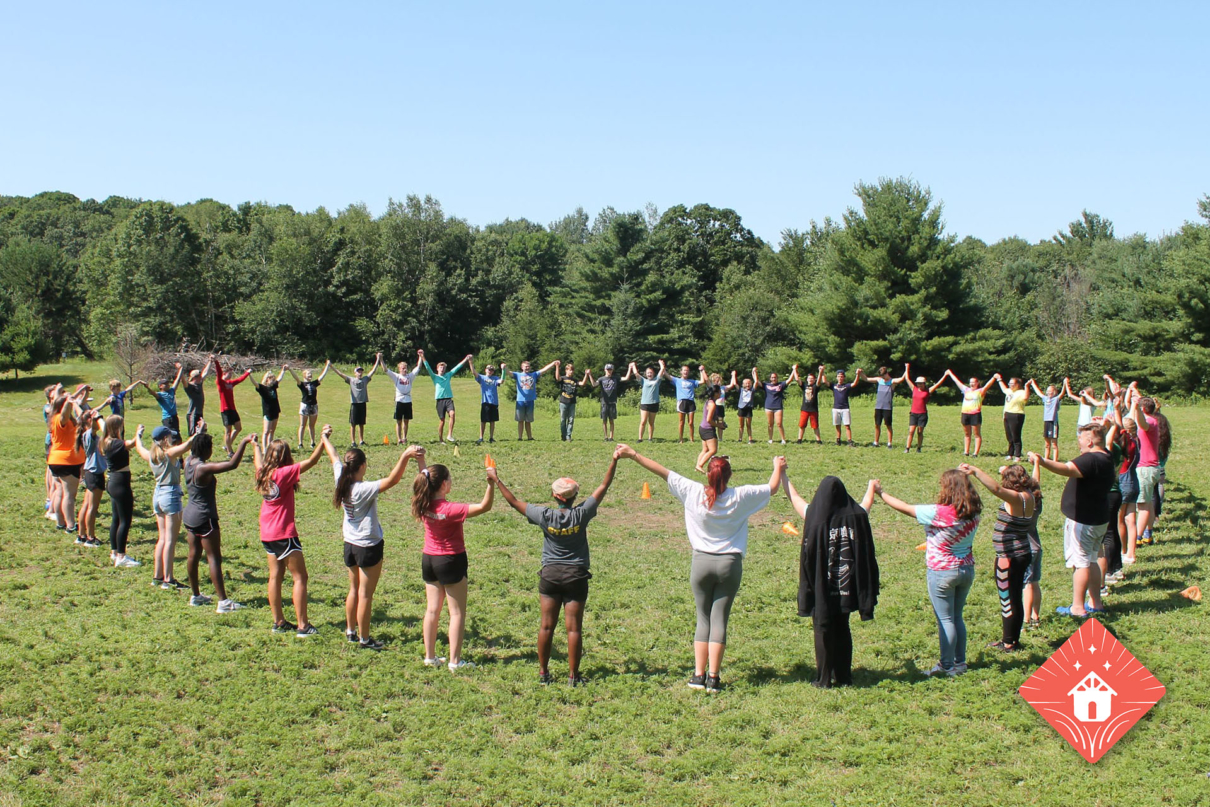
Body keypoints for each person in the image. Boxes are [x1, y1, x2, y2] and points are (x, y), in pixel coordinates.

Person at [614, 445, 784, 693]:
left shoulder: (692, 492)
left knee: (702, 618)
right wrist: (777, 466)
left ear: (708, 474)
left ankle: (697, 675)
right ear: (729, 476)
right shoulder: (741, 496)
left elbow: (662, 471)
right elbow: (772, 487)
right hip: (730, 565)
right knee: (719, 620)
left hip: (701, 563)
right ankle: (714, 678)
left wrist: (634, 455)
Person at [490, 454, 619, 686]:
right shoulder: (582, 513)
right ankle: (573, 676)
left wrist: (496, 480)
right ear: (574, 497)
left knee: (546, 626)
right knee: (574, 629)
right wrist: (614, 461)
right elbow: (603, 485)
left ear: (554, 496)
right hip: (576, 576)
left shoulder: (544, 515)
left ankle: (543, 673)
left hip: (549, 576)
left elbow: (514, 502)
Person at [324, 430, 425, 651]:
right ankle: (364, 638)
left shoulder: (341, 478)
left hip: (350, 545)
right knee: (365, 595)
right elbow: (393, 480)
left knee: (353, 590)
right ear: (361, 466)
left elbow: (334, 457)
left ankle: (351, 631)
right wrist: (405, 456)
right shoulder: (363, 489)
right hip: (368, 546)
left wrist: (325, 438)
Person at [875, 470, 982, 677]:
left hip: (942, 572)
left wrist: (880, 493)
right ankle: (960, 663)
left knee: (945, 619)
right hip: (966, 569)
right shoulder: (974, 512)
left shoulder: (939, 512)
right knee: (957, 617)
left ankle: (946, 667)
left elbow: (904, 508)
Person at [784, 474, 879, 688]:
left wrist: (782, 475)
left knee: (822, 628)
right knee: (843, 627)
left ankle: (824, 678)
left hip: (822, 587)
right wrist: (872, 487)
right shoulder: (857, 516)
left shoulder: (813, 516)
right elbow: (866, 504)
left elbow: (795, 497)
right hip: (847, 587)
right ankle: (844, 676)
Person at [411, 461, 496, 670]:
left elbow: (424, 477)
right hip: (451, 560)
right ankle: (455, 662)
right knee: (456, 613)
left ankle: (430, 657)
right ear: (442, 485)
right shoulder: (451, 509)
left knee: (432, 610)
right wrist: (491, 484)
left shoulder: (422, 502)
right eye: (449, 479)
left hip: (429, 559)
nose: (451, 482)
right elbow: (484, 507)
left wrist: (422, 463)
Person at [1029, 421, 1115, 618]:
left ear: (1091, 441)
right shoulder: (1107, 456)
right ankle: (1095, 602)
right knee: (1091, 559)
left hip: (1083, 520)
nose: (1079, 442)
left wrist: (1041, 461)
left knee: (1081, 562)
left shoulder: (1090, 460)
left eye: (1081, 439)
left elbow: (1066, 469)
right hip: (1098, 518)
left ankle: (1077, 607)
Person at [960, 463, 1039, 652]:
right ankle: (1012, 639)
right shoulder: (1031, 495)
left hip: (1009, 557)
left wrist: (976, 471)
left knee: (1007, 599)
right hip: (1023, 553)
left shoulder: (1016, 499)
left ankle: (1008, 642)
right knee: (1015, 598)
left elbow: (995, 488)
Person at [254, 437, 325, 636]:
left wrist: (256, 446)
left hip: (267, 533)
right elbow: (311, 462)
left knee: (275, 576)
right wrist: (322, 440)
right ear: (286, 457)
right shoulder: (284, 473)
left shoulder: (263, 473)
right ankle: (303, 626)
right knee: (300, 577)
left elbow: (258, 462)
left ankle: (278, 622)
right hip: (283, 533)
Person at [182, 428, 252, 612]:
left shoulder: (188, 462)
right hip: (205, 517)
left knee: (193, 555)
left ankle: (196, 595)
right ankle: (223, 602)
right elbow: (232, 464)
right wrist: (244, 442)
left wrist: (200, 431)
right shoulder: (203, 468)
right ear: (205, 450)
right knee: (214, 558)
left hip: (189, 516)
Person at [135, 423, 201, 590]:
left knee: (162, 538)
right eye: (170, 437)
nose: (172, 439)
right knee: (170, 540)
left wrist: (138, 435)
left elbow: (139, 447)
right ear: (165, 439)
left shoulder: (151, 455)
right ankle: (169, 578)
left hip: (157, 495)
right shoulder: (169, 454)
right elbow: (187, 446)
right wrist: (198, 432)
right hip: (170, 495)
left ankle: (157, 576)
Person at [47, 386, 90, 534]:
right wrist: (69, 401)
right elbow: (65, 409)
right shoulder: (61, 419)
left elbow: (66, 403)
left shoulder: (53, 417)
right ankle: (71, 525)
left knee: (59, 491)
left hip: (55, 459)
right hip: (67, 460)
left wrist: (78, 392)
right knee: (69, 495)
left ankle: (60, 522)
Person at [101, 415, 140, 568]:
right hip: (120, 483)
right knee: (125, 520)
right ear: (116, 427)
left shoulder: (105, 441)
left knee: (116, 519)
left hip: (113, 482)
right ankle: (121, 556)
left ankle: (114, 552)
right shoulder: (115, 443)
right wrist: (138, 432)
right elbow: (131, 444)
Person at [1132, 393, 1170, 550]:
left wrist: (1135, 408)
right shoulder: (1153, 420)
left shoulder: (1150, 422)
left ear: (1143, 409)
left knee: (1143, 505)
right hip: (1151, 468)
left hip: (1146, 469)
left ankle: (1138, 538)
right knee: (1148, 503)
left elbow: (1141, 423)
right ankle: (1148, 534)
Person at [332, 354, 382, 446]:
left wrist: (378, 359)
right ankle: (353, 441)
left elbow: (373, 371)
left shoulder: (365, 379)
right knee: (353, 424)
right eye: (358, 371)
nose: (360, 373)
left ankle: (361, 440)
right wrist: (332, 367)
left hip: (362, 404)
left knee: (361, 423)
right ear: (355, 373)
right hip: (354, 404)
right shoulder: (351, 380)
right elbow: (341, 374)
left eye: (361, 371)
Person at [421, 350, 471, 443]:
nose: (442, 369)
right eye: (441, 367)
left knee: (452, 414)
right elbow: (427, 367)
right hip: (440, 401)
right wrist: (422, 356)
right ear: (437, 369)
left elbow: (457, 367)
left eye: (444, 368)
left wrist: (466, 359)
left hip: (448, 399)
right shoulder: (435, 377)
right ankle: (440, 439)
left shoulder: (448, 375)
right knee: (442, 421)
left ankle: (449, 435)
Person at [944, 371, 997, 457]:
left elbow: (988, 385)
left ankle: (975, 453)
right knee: (967, 434)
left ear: (977, 383)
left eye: (974, 382)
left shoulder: (980, 391)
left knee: (977, 434)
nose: (972, 384)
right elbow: (957, 381)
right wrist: (950, 373)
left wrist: (994, 378)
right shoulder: (966, 390)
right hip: (965, 414)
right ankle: (966, 451)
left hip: (975, 414)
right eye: (970, 382)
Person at [75, 409, 106, 548]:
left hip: (90, 471)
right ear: (89, 420)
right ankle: (91, 538)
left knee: (86, 505)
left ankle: (81, 535)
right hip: (94, 473)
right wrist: (97, 417)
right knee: (92, 508)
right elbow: (97, 427)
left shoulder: (86, 434)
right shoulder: (89, 434)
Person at [855, 365, 907, 448]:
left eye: (883, 375)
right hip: (878, 407)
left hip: (887, 407)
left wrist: (906, 369)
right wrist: (860, 373)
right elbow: (866, 379)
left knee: (888, 425)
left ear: (887, 373)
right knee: (877, 424)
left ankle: (889, 443)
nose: (882, 377)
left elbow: (901, 379)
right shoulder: (879, 380)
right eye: (881, 376)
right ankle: (876, 442)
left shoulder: (892, 382)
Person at [1021, 456, 1046, 629]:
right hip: (1036, 546)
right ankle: (1036, 616)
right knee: (1035, 582)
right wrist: (1037, 464)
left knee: (1027, 584)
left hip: (1026, 548)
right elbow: (1036, 482)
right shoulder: (1036, 500)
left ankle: (1026, 620)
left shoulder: (1022, 504)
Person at [509, 359, 559, 440]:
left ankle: (530, 437)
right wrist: (504, 368)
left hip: (530, 401)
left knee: (528, 421)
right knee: (520, 420)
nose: (527, 368)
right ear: (522, 367)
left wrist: (553, 364)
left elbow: (544, 369)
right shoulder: (517, 375)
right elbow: (509, 373)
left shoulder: (534, 375)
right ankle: (520, 437)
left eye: (528, 366)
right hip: (520, 401)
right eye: (525, 366)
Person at [286, 361, 330, 450]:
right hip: (305, 406)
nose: (310, 375)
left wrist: (327, 366)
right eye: (308, 374)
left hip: (313, 406)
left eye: (311, 374)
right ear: (304, 375)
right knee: (302, 425)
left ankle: (312, 442)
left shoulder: (314, 383)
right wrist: (290, 369)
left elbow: (322, 376)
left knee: (312, 426)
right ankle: (300, 443)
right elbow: (296, 378)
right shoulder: (302, 384)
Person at [903, 367, 946, 453]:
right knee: (911, 431)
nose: (919, 385)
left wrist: (945, 375)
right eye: (918, 383)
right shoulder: (914, 389)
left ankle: (919, 448)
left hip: (922, 414)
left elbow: (938, 384)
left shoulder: (928, 391)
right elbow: (907, 378)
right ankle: (907, 448)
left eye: (921, 383)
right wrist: (907, 368)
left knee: (920, 432)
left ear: (924, 383)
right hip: (913, 413)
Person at [215, 361, 253, 457]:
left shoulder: (230, 383)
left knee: (238, 428)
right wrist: (216, 361)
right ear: (225, 373)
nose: (231, 376)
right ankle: (230, 452)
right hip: (225, 410)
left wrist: (247, 373)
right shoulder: (220, 382)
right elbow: (218, 372)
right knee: (228, 431)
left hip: (233, 409)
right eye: (230, 373)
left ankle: (227, 445)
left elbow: (240, 379)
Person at [587, 363, 631, 441]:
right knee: (604, 420)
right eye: (608, 370)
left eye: (610, 370)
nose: (609, 371)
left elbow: (626, 378)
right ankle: (605, 437)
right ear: (605, 370)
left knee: (611, 420)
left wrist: (630, 368)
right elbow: (594, 384)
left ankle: (611, 437)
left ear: (612, 370)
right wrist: (589, 375)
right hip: (604, 402)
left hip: (612, 402)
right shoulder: (601, 379)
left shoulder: (615, 378)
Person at [818, 368, 860, 446]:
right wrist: (822, 372)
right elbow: (825, 382)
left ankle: (849, 441)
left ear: (844, 377)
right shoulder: (834, 386)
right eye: (839, 376)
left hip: (845, 408)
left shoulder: (846, 386)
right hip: (836, 408)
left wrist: (858, 374)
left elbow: (854, 383)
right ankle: (838, 440)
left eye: (841, 376)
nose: (840, 378)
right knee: (837, 425)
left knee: (847, 425)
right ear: (836, 377)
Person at [470, 358, 505, 444]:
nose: (490, 371)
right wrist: (470, 362)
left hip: (494, 402)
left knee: (492, 421)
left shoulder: (495, 378)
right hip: (485, 401)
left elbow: (502, 381)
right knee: (483, 420)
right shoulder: (482, 377)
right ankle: (481, 437)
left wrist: (503, 370)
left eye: (491, 370)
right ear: (485, 370)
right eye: (488, 369)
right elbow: (474, 372)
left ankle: (491, 437)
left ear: (493, 372)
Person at [385, 357, 419, 444]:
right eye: (403, 368)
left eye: (406, 368)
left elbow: (418, 367)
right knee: (399, 421)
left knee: (406, 421)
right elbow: (385, 369)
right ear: (399, 369)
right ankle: (399, 438)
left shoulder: (410, 377)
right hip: (399, 400)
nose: (405, 370)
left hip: (408, 401)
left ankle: (404, 437)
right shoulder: (396, 376)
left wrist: (420, 357)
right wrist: (380, 359)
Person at [633, 360, 669, 442]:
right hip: (645, 404)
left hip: (654, 403)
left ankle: (650, 438)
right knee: (643, 421)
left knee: (651, 422)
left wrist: (660, 363)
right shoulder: (643, 381)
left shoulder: (657, 380)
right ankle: (640, 438)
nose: (649, 374)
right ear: (645, 374)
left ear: (653, 373)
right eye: (648, 373)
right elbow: (636, 374)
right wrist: (633, 365)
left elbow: (662, 369)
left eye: (651, 372)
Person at [752, 366, 789, 444]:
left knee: (779, 423)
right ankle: (770, 439)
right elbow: (756, 381)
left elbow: (789, 380)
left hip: (778, 407)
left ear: (777, 378)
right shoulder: (766, 385)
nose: (773, 379)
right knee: (770, 424)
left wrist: (794, 370)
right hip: (768, 407)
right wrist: (754, 372)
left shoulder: (781, 385)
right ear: (770, 378)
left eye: (775, 377)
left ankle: (783, 439)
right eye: (772, 377)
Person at [997, 376, 1031, 462]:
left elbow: (1026, 398)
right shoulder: (1009, 391)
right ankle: (1010, 454)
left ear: (1018, 384)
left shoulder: (1021, 392)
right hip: (1007, 414)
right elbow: (1004, 388)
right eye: (1010, 383)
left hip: (1016, 415)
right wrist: (999, 379)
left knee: (1016, 436)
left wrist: (1027, 387)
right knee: (1009, 436)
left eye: (1013, 384)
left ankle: (1018, 455)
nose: (1010, 385)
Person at [694, 378, 724, 473]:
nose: (720, 394)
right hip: (708, 429)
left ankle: (697, 466)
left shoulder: (709, 401)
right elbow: (709, 420)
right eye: (719, 392)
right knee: (713, 450)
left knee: (705, 449)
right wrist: (718, 425)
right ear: (715, 393)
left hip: (702, 428)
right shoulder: (712, 404)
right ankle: (700, 465)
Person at [143, 363, 184, 433]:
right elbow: (153, 393)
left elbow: (177, 379)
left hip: (174, 416)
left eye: (168, 383)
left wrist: (181, 369)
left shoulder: (171, 391)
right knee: (170, 435)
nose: (168, 385)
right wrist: (147, 387)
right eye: (166, 384)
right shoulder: (160, 395)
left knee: (177, 433)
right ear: (160, 386)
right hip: (167, 418)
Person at [1027, 380, 1062, 461]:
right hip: (1046, 422)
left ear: (1054, 392)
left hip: (1053, 422)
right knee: (1047, 444)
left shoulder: (1056, 399)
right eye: (1048, 391)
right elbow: (1039, 393)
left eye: (1051, 391)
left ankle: (1055, 461)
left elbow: (1062, 394)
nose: (1049, 392)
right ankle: (1046, 459)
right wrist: (1033, 384)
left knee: (1054, 444)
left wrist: (1065, 384)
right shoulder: (1045, 399)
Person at [255, 366, 287, 450]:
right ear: (267, 379)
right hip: (268, 412)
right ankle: (264, 448)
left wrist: (283, 370)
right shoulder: (263, 389)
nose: (273, 380)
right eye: (271, 379)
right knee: (266, 431)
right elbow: (255, 384)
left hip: (275, 411)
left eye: (273, 379)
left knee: (272, 431)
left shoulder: (273, 387)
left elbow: (279, 379)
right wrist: (249, 375)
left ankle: (270, 446)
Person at [671, 364, 706, 443]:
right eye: (684, 370)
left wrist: (701, 371)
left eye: (687, 370)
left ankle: (692, 439)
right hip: (682, 402)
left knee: (690, 422)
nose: (686, 372)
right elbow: (666, 375)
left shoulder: (692, 381)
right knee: (681, 422)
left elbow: (703, 381)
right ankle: (681, 439)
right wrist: (662, 367)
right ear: (681, 372)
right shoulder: (677, 380)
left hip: (691, 402)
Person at [791, 364, 825, 444]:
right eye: (809, 378)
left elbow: (819, 381)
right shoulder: (804, 386)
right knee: (802, 425)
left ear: (814, 379)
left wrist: (820, 372)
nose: (810, 379)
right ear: (807, 379)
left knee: (815, 426)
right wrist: (794, 369)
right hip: (805, 409)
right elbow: (797, 379)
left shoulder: (815, 387)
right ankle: (799, 439)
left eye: (812, 378)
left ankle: (818, 440)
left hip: (813, 409)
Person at [556, 361, 589, 442]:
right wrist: (557, 367)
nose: (571, 371)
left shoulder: (574, 380)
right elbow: (557, 377)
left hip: (572, 402)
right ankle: (563, 435)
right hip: (563, 402)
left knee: (571, 420)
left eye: (572, 370)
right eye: (570, 370)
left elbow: (582, 384)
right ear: (566, 370)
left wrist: (586, 375)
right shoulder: (563, 379)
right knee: (563, 420)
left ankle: (568, 436)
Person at [735, 375, 756, 443]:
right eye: (746, 383)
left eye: (749, 383)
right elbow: (735, 384)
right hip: (741, 408)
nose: (747, 385)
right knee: (741, 425)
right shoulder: (741, 390)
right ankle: (740, 438)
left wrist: (754, 373)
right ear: (743, 384)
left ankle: (750, 439)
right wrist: (733, 375)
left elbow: (756, 382)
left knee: (748, 425)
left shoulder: (752, 390)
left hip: (749, 409)